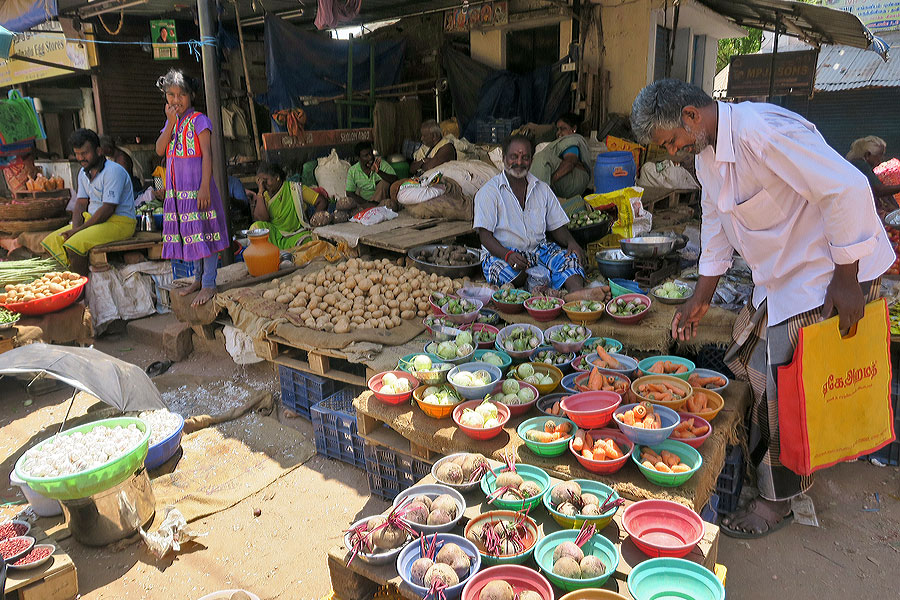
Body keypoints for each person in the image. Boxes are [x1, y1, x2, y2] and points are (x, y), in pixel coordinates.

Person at [630, 79, 894, 538]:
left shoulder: (763, 132)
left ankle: (777, 502)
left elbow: (848, 188)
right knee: (753, 369)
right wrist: (700, 298)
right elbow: (715, 220)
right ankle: (777, 474)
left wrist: (848, 280)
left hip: (826, 273)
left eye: (671, 142)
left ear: (692, 116)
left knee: (780, 387)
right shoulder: (707, 154)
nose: (672, 153)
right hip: (781, 278)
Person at [474, 134, 587, 292]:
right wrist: (507, 255)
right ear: (504, 157)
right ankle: (547, 291)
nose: (519, 162)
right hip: (502, 253)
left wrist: (571, 242)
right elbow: (485, 236)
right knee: (509, 275)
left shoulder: (542, 189)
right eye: (514, 157)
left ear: (531, 160)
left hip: (538, 251)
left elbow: (557, 227)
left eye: (525, 157)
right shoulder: (489, 192)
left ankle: (577, 296)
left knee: (572, 260)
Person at [155, 69, 229, 307]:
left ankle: (209, 282)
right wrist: (170, 123)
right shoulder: (172, 124)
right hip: (178, 194)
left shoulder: (200, 121)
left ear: (191, 96)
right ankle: (197, 279)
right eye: (171, 95)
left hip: (198, 188)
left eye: (181, 95)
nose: (176, 100)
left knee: (205, 232)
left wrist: (205, 187)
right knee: (191, 234)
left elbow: (207, 155)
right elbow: (159, 150)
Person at [42, 129, 136, 275]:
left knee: (73, 245)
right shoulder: (83, 173)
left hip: (120, 223)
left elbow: (108, 209)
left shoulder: (114, 171)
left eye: (85, 153)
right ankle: (66, 283)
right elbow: (80, 203)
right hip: (94, 221)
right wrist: (75, 229)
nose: (80, 158)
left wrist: (77, 231)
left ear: (99, 151)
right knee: (51, 241)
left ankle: (80, 293)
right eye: (77, 154)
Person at [530, 112, 592, 214]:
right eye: (557, 129)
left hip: (575, 181)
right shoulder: (567, 142)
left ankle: (537, 207)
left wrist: (552, 179)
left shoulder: (572, 141)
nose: (559, 133)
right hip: (574, 182)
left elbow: (570, 162)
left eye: (563, 128)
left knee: (542, 159)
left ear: (574, 129)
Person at [247, 162, 316, 249]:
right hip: (276, 235)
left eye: (265, 180)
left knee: (309, 241)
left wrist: (316, 222)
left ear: (277, 178)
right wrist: (260, 192)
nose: (263, 184)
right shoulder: (264, 196)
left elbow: (321, 201)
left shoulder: (294, 189)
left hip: (295, 234)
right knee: (256, 227)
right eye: (260, 181)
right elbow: (262, 218)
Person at [846, 136, 900, 211]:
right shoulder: (859, 165)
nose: (881, 160)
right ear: (867, 155)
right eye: (879, 156)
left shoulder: (853, 164)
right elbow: (878, 190)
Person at [346, 141, 398, 210]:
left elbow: (395, 180)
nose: (370, 157)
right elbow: (349, 193)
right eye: (366, 155)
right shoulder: (353, 171)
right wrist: (367, 203)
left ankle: (372, 209)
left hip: (382, 202)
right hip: (365, 203)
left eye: (371, 153)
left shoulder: (381, 164)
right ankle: (371, 208)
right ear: (358, 158)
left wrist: (378, 171)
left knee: (384, 183)